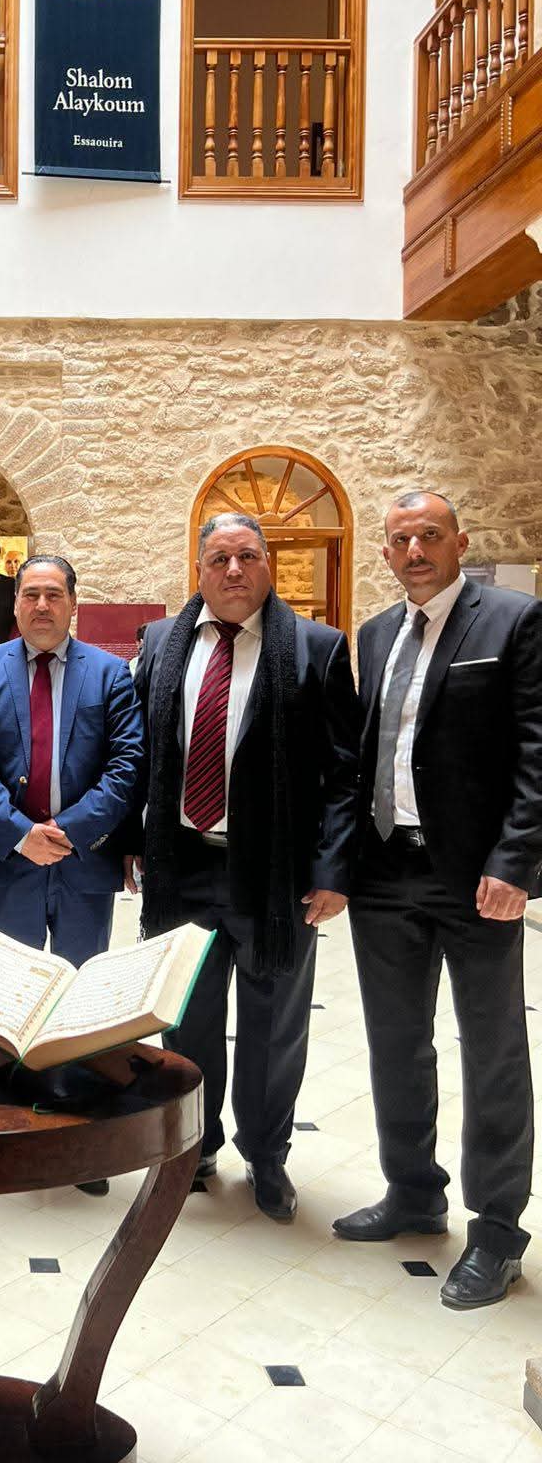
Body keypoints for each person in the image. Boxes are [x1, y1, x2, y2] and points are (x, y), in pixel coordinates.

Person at [334, 491, 542, 1310]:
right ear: (385, 553)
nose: (414, 550)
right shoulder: (376, 633)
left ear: (460, 542)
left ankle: (497, 1231)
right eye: (400, 540)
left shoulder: (514, 621)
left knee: (492, 1049)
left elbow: (537, 752)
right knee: (396, 1042)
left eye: (429, 535)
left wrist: (515, 861)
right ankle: (414, 1192)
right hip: (386, 871)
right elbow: (367, 755)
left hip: (476, 877)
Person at [126, 513, 359, 1222]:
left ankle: (267, 1154)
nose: (234, 570)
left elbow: (344, 773)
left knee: (272, 1024)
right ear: (198, 569)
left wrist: (332, 869)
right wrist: (133, 839)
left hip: (275, 874)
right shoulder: (161, 642)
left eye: (248, 556)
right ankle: (194, 1147)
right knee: (188, 1020)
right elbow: (142, 754)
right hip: (183, 864)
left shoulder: (317, 649)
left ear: (268, 566)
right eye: (220, 558)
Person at [0, 553, 144, 1195]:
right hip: (9, 860)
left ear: (73, 603)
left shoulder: (110, 674)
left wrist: (70, 831)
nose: (41, 605)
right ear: (14, 604)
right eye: (30, 594)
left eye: (53, 594)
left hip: (83, 860)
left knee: (79, 995)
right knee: (6, 993)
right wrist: (19, 833)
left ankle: (78, 1141)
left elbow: (127, 763)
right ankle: (6, 1127)